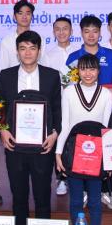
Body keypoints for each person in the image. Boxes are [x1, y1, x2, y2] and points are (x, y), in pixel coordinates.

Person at [0, 30, 62, 225]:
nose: (27, 53)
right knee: (18, 194)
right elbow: (0, 107)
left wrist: (54, 134)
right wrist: (2, 130)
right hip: (14, 145)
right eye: (23, 48)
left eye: (32, 48)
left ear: (39, 51)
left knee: (42, 194)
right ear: (17, 52)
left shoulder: (51, 76)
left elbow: (57, 109)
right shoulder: (6, 75)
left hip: (43, 146)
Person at [65, 15, 112, 209]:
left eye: (95, 31)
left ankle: (106, 192)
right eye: (86, 31)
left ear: (100, 33)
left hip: (104, 107)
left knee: (105, 145)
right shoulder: (73, 57)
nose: (91, 35)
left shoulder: (110, 54)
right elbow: (67, 84)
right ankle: (82, 192)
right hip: (80, 111)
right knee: (82, 149)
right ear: (81, 33)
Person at [55, 54, 112, 225]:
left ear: (99, 71)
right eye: (83, 69)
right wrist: (58, 153)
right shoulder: (68, 92)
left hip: (97, 155)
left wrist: (109, 160)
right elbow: (65, 125)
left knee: (95, 200)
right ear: (77, 71)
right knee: (75, 200)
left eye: (92, 69)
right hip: (74, 153)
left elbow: (106, 130)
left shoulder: (106, 94)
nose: (88, 73)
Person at [39, 16, 76, 196]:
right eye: (58, 29)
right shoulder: (48, 55)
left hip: (77, 102)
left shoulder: (79, 52)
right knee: (59, 139)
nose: (62, 32)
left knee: (74, 140)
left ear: (71, 31)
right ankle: (60, 178)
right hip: (57, 103)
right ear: (53, 32)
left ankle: (76, 176)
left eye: (65, 28)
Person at [0, 0, 34, 71]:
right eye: (20, 13)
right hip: (13, 78)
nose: (24, 17)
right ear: (14, 17)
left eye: (28, 13)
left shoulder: (40, 39)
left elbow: (43, 65)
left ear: (32, 17)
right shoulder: (7, 42)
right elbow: (3, 69)